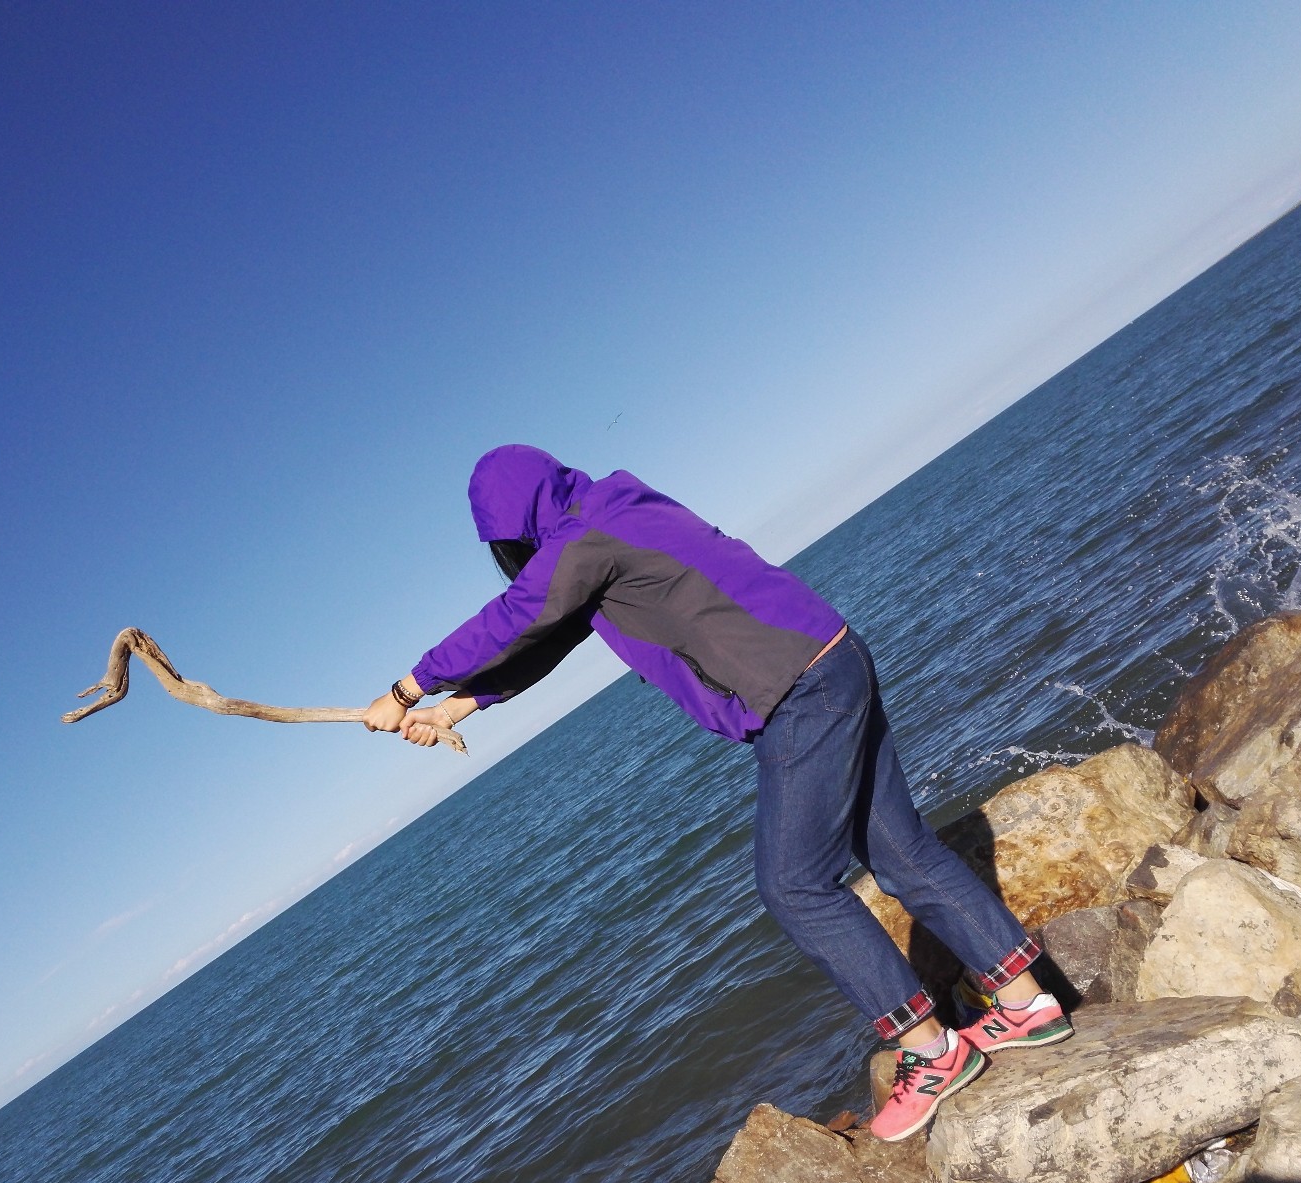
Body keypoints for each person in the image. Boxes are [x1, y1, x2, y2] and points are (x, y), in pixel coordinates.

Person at [361, 445, 1069, 1139]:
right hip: (831, 657)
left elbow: (520, 614)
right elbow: (549, 633)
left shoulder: (586, 536)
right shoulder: (609, 512)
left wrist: (408, 686)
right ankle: (1024, 1002)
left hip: (796, 691)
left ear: (520, 520)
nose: (509, 553)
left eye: (507, 540)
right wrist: (456, 707)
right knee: (901, 851)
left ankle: (931, 1051)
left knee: (794, 886)